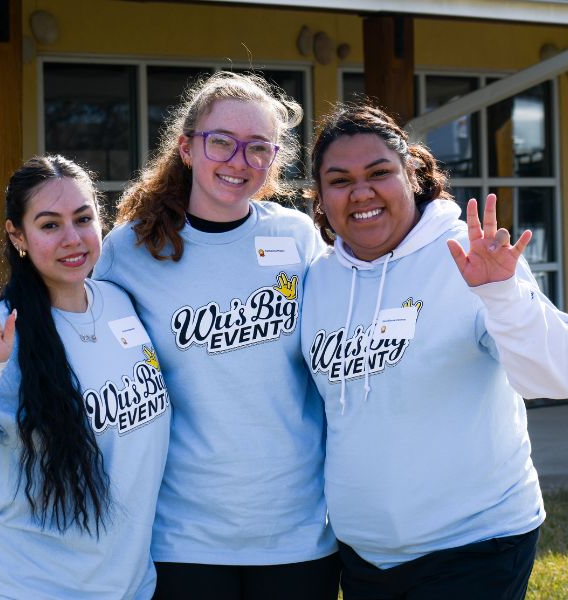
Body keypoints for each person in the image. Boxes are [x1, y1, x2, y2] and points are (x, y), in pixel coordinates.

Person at [301, 102, 568, 600]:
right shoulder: (320, 280)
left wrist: (502, 296)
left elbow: (557, 378)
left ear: (413, 173)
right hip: (365, 557)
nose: (361, 192)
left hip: (474, 545)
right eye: (340, 180)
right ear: (320, 197)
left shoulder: (468, 258)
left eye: (379, 172)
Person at [93, 71, 339, 599]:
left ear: (275, 160)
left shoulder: (295, 237)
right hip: (184, 534)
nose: (238, 161)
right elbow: (82, 339)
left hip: (297, 530)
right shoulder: (130, 251)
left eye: (258, 149)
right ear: (186, 147)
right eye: (221, 142)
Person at [0, 155, 170, 599]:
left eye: (83, 218)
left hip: (124, 585)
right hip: (21, 585)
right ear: (18, 236)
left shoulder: (120, 302)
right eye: (50, 225)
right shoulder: (1, 334)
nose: (72, 239)